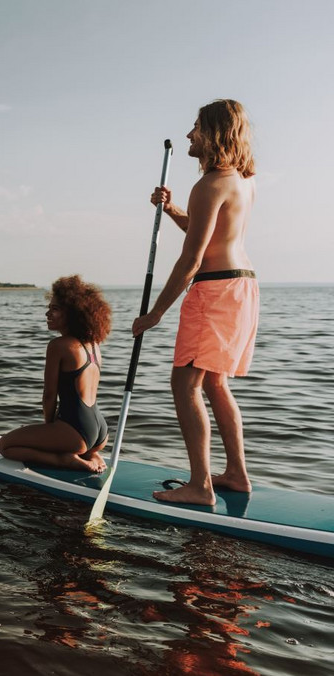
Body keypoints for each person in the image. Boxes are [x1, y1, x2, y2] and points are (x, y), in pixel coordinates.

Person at [132, 99, 259, 506]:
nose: (189, 135)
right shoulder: (239, 180)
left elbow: (192, 257)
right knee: (215, 383)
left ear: (214, 132)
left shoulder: (208, 184)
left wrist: (156, 313)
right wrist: (171, 209)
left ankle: (200, 486)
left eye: (196, 127)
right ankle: (237, 474)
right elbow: (207, 230)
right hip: (242, 286)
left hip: (214, 290)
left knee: (185, 383)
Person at [0, 276, 112, 472]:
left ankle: (65, 459)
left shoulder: (59, 346)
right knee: (75, 440)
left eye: (55, 309)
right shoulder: (94, 345)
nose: (47, 313)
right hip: (100, 432)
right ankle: (91, 453)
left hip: (75, 433)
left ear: (72, 314)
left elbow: (49, 395)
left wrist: (50, 430)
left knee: (5, 446)